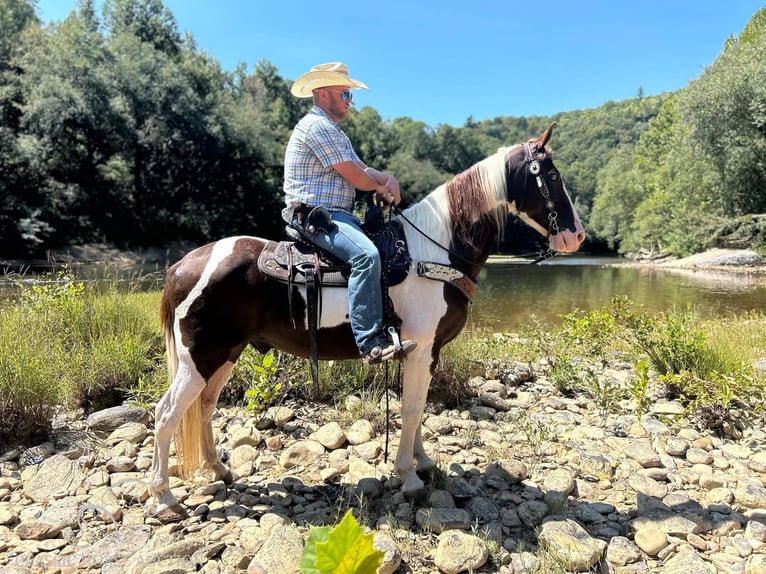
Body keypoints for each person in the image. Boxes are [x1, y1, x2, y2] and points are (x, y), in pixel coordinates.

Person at [283, 62, 417, 365]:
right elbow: (356, 177)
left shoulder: (333, 132)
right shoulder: (317, 126)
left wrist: (387, 179)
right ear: (323, 94)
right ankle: (370, 341)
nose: (350, 101)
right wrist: (380, 186)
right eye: (345, 95)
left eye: (350, 95)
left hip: (335, 214)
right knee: (366, 256)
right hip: (316, 214)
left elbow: (362, 169)